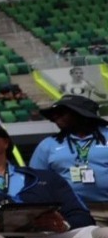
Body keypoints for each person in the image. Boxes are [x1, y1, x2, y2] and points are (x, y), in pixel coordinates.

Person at [29, 94, 108, 223]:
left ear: (81, 114)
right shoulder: (48, 144)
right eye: (53, 114)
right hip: (76, 210)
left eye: (61, 113)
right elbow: (35, 180)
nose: (55, 117)